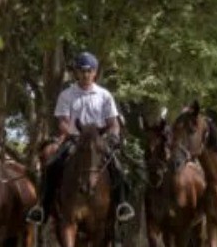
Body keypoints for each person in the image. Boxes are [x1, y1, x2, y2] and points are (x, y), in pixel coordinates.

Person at [26, 51, 136, 225]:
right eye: (82, 71)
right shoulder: (66, 95)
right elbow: (62, 121)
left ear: (95, 72)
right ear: (76, 72)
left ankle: (122, 205)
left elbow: (113, 123)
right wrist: (70, 133)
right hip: (74, 139)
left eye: (89, 71)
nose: (85, 74)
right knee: (52, 165)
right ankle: (42, 207)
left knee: (118, 167)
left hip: (99, 141)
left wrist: (113, 136)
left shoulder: (105, 95)